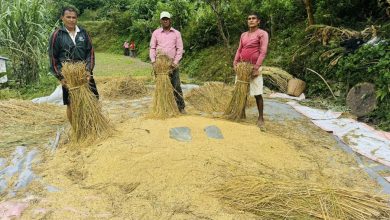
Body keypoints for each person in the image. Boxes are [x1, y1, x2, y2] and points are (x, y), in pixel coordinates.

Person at [48, 6, 99, 123]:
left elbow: (90, 52)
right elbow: (53, 57)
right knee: (71, 103)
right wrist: (61, 77)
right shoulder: (57, 35)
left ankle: (93, 125)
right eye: (68, 17)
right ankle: (76, 130)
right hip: (68, 76)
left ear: (77, 18)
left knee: (93, 99)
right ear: (62, 18)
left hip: (85, 74)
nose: (71, 20)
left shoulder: (83, 33)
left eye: (74, 17)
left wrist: (88, 70)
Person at [233, 12, 269, 130]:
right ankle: (240, 113)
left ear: (258, 21)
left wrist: (256, 67)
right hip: (242, 66)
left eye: (254, 18)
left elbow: (263, 52)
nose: (251, 20)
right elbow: (239, 49)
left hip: (255, 67)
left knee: (257, 93)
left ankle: (261, 118)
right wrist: (235, 62)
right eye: (249, 18)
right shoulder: (243, 35)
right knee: (240, 90)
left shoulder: (262, 34)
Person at [149, 11, 185, 113]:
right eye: (163, 19)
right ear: (160, 21)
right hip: (160, 65)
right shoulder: (156, 33)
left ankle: (180, 107)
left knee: (176, 85)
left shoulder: (176, 33)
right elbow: (152, 48)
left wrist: (175, 62)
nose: (165, 21)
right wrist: (153, 61)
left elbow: (180, 49)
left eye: (167, 19)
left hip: (172, 65)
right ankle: (163, 107)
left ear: (170, 20)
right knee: (161, 86)